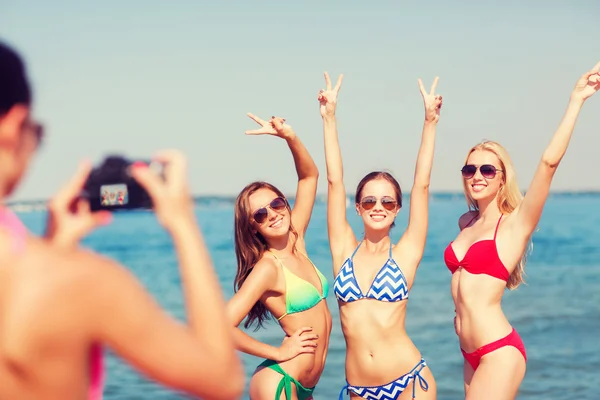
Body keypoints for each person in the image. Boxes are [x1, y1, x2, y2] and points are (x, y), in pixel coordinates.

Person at [0, 40, 244, 400]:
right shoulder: (80, 283)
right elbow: (222, 379)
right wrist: (183, 223)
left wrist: (55, 248)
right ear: (13, 123)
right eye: (36, 133)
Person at [443, 62, 600, 400]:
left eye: (487, 168)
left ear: (502, 177)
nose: (477, 175)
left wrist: (577, 100)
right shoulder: (465, 223)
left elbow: (548, 163)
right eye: (470, 168)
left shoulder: (515, 224)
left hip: (498, 351)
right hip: (469, 354)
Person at [320, 71, 442, 400]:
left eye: (387, 201)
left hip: (409, 382)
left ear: (397, 209)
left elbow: (422, 185)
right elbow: (334, 182)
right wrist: (329, 118)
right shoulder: (343, 249)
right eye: (369, 200)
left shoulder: (406, 254)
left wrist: (430, 122)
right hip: (359, 388)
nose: (378, 206)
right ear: (357, 208)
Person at [227, 113, 330, 400]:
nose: (273, 214)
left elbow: (309, 177)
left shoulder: (297, 240)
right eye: (261, 214)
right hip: (280, 382)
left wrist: (290, 137)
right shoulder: (267, 268)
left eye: (276, 203)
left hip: (304, 386)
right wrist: (277, 351)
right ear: (252, 226)